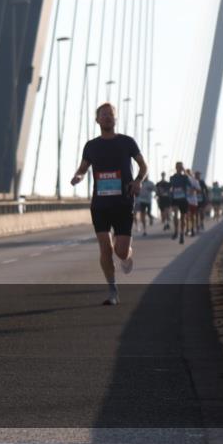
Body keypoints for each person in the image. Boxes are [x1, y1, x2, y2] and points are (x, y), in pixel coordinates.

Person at [71, 102, 148, 306]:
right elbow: (83, 168)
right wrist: (78, 177)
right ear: (97, 120)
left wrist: (138, 181)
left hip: (123, 202)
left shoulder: (127, 142)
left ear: (115, 119)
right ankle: (112, 290)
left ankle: (126, 255)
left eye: (111, 114)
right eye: (103, 115)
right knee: (105, 248)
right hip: (100, 204)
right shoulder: (91, 146)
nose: (107, 117)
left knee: (119, 251)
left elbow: (143, 165)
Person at [169, 162, 190, 244]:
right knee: (175, 214)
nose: (179, 168)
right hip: (175, 198)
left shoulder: (185, 177)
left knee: (183, 217)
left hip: (183, 199)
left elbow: (190, 184)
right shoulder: (172, 177)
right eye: (178, 167)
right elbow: (170, 186)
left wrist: (186, 172)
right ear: (175, 167)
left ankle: (182, 233)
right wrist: (170, 192)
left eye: (181, 167)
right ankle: (176, 231)